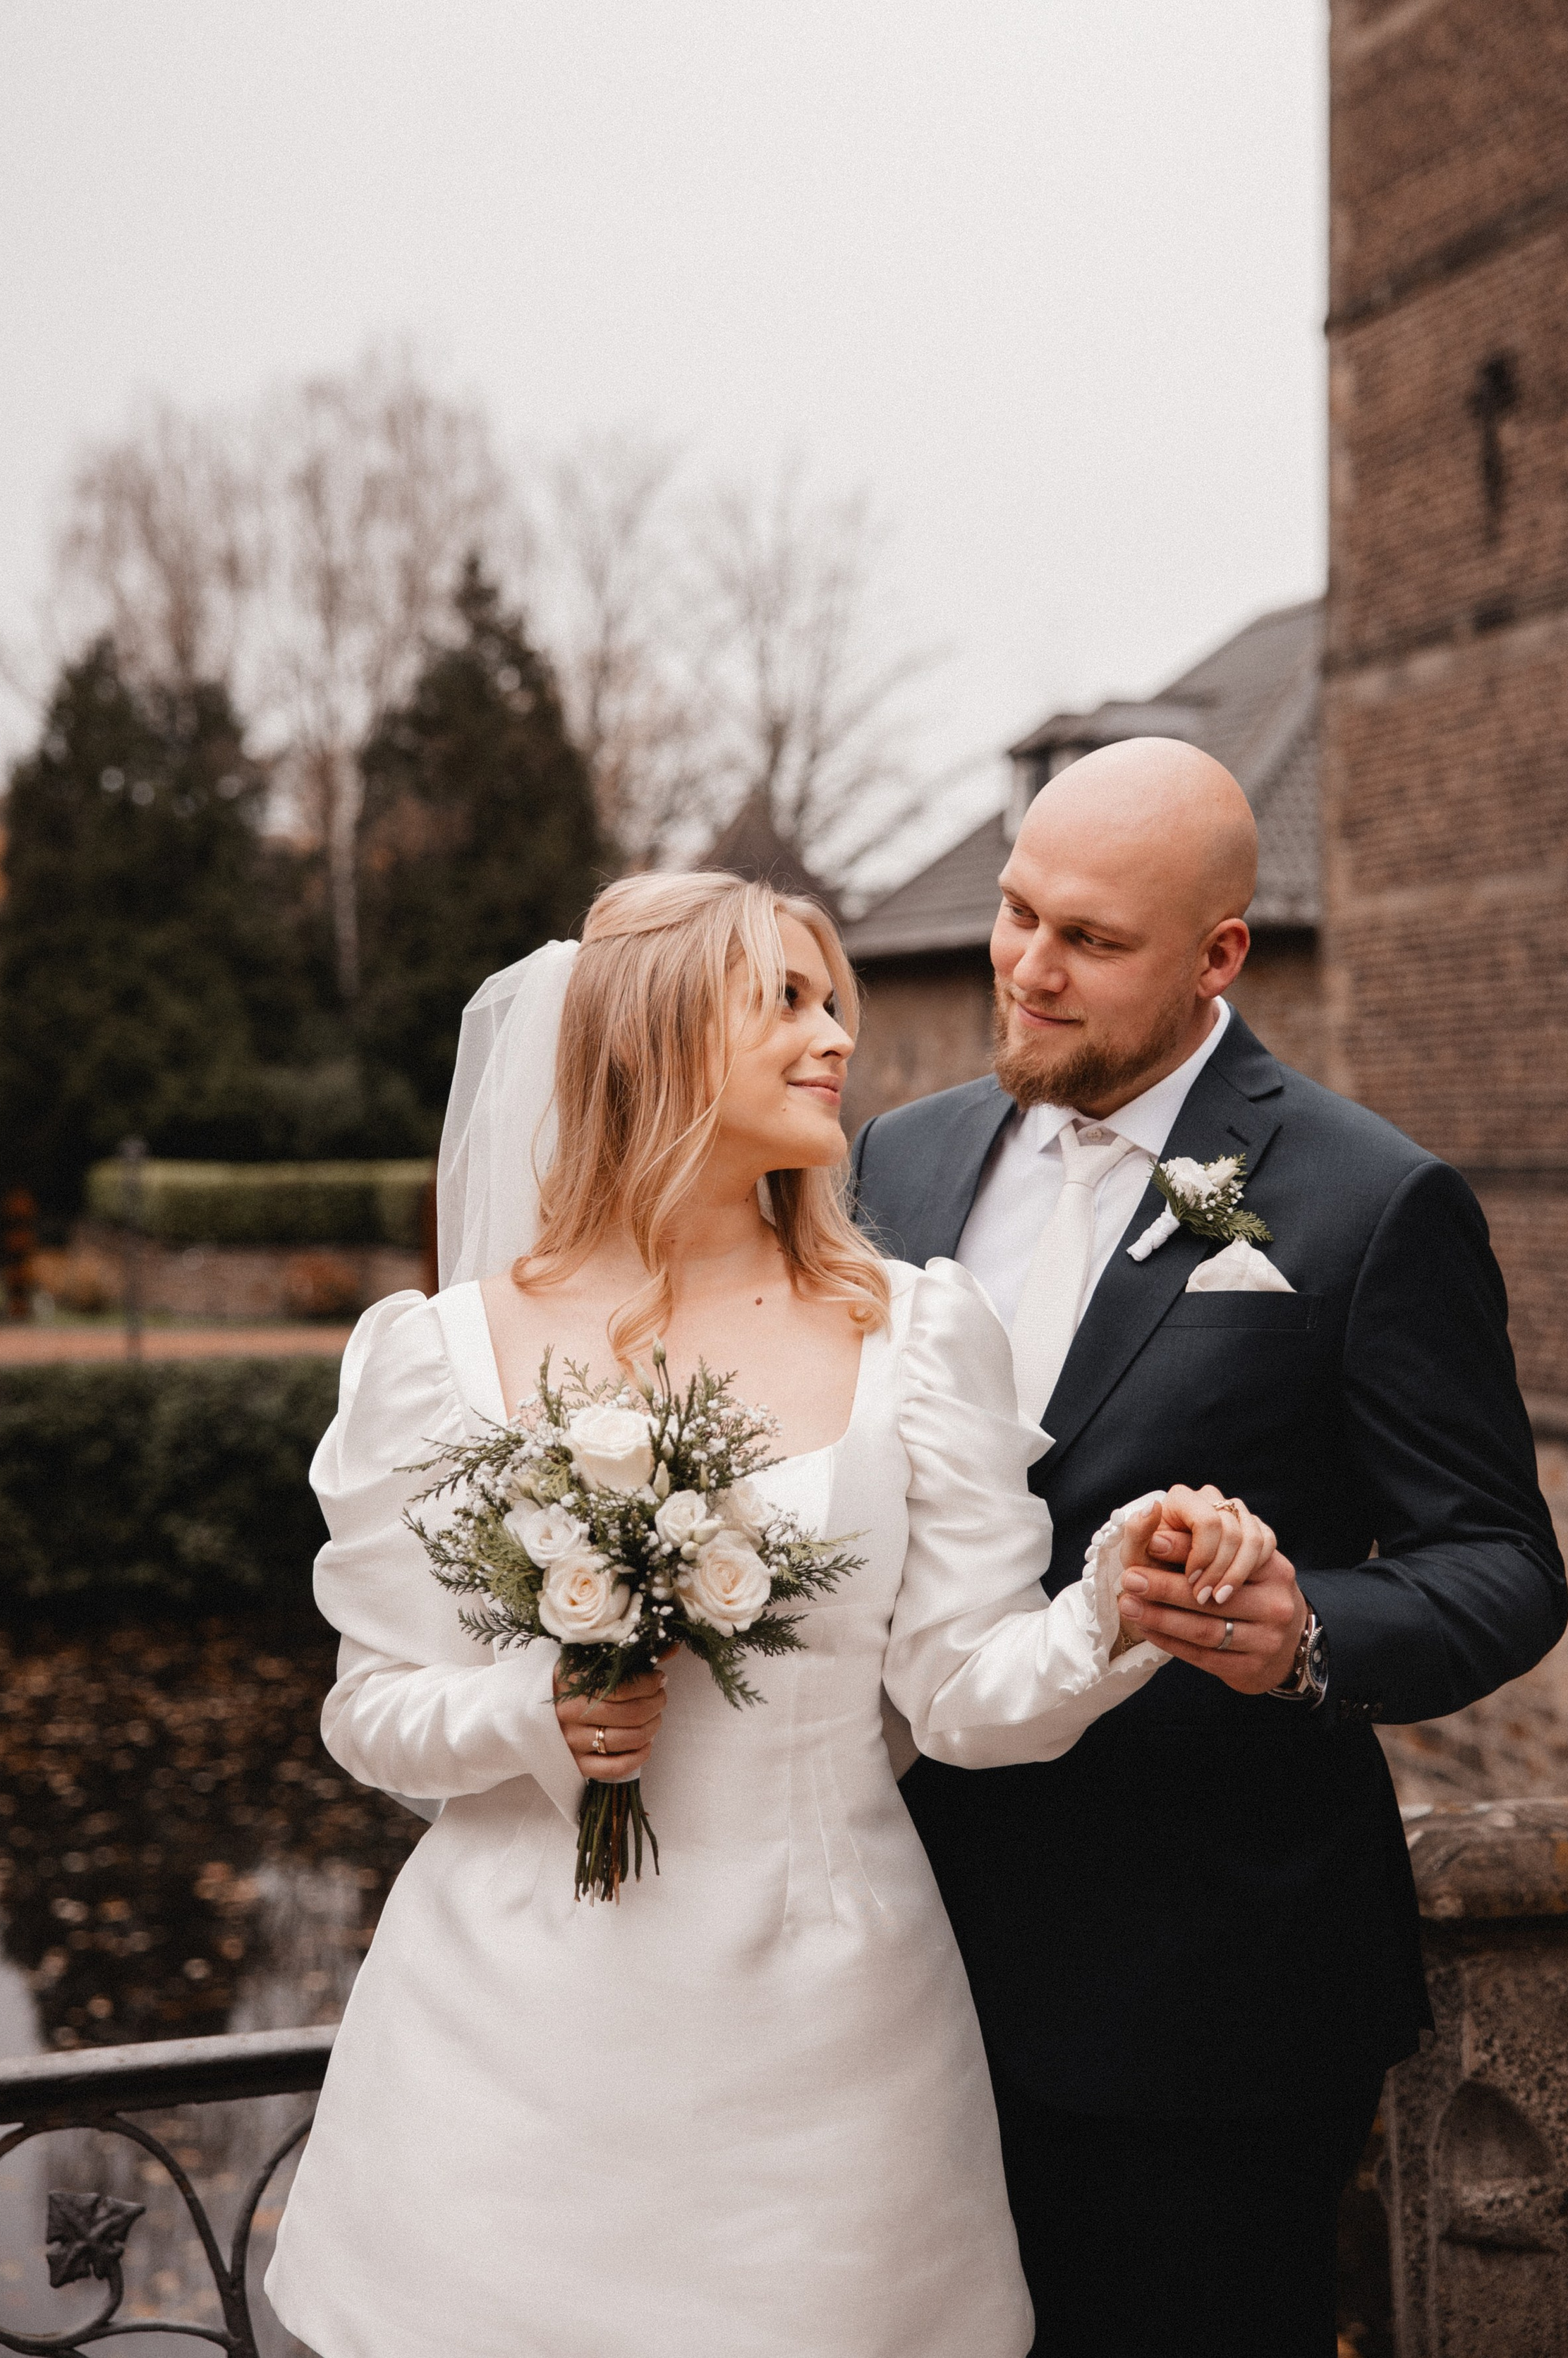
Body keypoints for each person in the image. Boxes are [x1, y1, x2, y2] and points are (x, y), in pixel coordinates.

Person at [265, 869, 1279, 2358]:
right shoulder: (432, 1355)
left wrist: (1109, 1607)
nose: (832, 1044)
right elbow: (374, 1716)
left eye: (833, 1005)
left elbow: (961, 1701)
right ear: (658, 1039)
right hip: (505, 2072)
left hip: (827, 2068)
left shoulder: (914, 1334)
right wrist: (532, 1711)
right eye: (786, 1004)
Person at [850, 737, 1568, 2358]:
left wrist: (1304, 1629)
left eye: (1089, 942)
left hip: (1206, 2005)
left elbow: (1503, 1565)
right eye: (1014, 913)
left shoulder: (1370, 1204)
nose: (1027, 971)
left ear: (1217, 955)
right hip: (905, 1973)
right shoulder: (895, 1160)